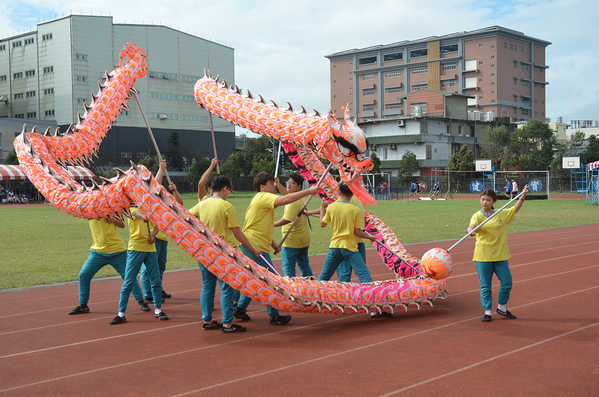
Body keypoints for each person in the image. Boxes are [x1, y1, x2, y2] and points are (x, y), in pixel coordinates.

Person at [232, 171, 320, 325]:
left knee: (257, 279)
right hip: (254, 245)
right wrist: (309, 191)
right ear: (262, 186)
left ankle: (240, 308)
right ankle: (273, 316)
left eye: (274, 183)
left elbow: (259, 225)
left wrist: (273, 244)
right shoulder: (263, 197)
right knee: (270, 281)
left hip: (255, 243)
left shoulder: (260, 198)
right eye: (271, 183)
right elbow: (285, 199)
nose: (274, 186)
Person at [195, 175, 262, 333]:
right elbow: (237, 233)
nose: (228, 193)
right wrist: (253, 249)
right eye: (229, 190)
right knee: (227, 288)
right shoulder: (226, 206)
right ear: (224, 188)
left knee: (207, 286)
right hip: (223, 253)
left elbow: (188, 217)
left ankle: (207, 320)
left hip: (205, 252)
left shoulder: (202, 204)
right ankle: (227, 324)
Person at [466, 184, 529, 323]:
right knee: (485, 285)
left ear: (493, 201)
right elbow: (472, 225)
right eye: (482, 199)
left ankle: (502, 307)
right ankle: (487, 311)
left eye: (488, 200)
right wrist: (471, 230)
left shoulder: (501, 213)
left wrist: (522, 198)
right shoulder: (477, 216)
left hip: (500, 255)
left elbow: (515, 209)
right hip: (483, 255)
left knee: (507, 282)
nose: (485, 202)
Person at [68, 218, 149, 315]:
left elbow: (122, 225)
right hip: (97, 253)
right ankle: (83, 306)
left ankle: (141, 302)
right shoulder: (90, 211)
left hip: (118, 252)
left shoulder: (112, 209)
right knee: (83, 275)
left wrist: (113, 220)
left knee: (129, 277)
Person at [110, 207, 167, 324]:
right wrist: (143, 217)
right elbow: (136, 214)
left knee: (156, 281)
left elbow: (158, 224)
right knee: (128, 281)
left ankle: (158, 310)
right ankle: (121, 314)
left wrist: (153, 236)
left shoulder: (149, 208)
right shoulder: (130, 209)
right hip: (135, 249)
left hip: (150, 249)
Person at [318, 182, 377, 287]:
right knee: (364, 276)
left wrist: (323, 208)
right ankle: (371, 295)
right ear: (352, 194)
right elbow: (358, 233)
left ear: (339, 192)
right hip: (350, 248)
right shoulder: (356, 210)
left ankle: (314, 295)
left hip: (335, 247)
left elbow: (322, 224)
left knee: (324, 277)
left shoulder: (332, 207)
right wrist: (369, 237)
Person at [140, 158, 183, 303]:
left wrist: (175, 190)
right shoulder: (151, 196)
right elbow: (154, 184)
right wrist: (161, 169)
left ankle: (157, 288)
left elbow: (180, 203)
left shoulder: (164, 196)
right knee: (149, 268)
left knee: (161, 266)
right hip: (154, 234)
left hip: (164, 235)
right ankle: (149, 294)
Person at [274, 172, 319, 278]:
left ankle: (291, 290)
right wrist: (279, 184)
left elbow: (287, 220)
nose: (289, 184)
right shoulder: (300, 197)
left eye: (293, 183)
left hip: (291, 242)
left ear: (299, 187)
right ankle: (311, 287)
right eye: (288, 182)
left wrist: (271, 224)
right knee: (304, 266)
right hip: (303, 240)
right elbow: (286, 195)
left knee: (288, 268)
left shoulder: (293, 202)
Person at [336, 194, 366, 283]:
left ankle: (345, 295)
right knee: (363, 273)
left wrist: (311, 212)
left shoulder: (343, 200)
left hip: (347, 243)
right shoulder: (357, 198)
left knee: (343, 273)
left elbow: (329, 210)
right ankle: (368, 292)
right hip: (359, 241)